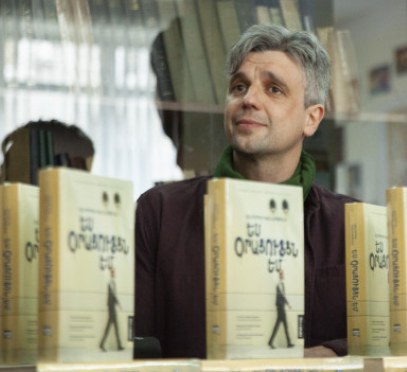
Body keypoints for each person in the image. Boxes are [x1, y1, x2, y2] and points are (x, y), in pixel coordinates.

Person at [135, 24, 356, 358]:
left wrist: (329, 353)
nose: (249, 99)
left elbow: (389, 339)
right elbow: (135, 347)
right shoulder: (160, 213)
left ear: (311, 118)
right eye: (239, 87)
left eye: (274, 89)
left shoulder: (351, 225)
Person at [100, 266, 124, 351]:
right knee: (112, 327)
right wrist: (116, 304)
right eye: (113, 272)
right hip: (111, 308)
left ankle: (118, 345)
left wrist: (117, 304)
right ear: (110, 273)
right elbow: (112, 296)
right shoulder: (110, 283)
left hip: (112, 307)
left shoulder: (112, 282)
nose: (114, 273)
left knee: (114, 327)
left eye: (114, 272)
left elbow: (113, 296)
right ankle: (103, 344)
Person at [268, 269, 293, 349]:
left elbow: (281, 295)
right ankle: (288, 343)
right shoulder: (279, 284)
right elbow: (282, 295)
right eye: (282, 274)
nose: (283, 275)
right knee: (283, 325)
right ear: (280, 275)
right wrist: (288, 303)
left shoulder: (281, 284)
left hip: (280, 306)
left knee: (281, 325)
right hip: (280, 307)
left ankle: (272, 342)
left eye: (283, 274)